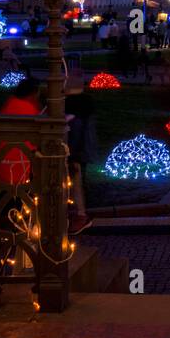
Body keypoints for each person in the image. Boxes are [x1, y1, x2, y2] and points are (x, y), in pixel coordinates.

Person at [65, 78, 96, 234]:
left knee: (75, 181)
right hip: (82, 150)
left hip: (74, 151)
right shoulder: (85, 104)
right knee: (78, 181)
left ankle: (80, 214)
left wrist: (72, 154)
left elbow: (75, 132)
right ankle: (80, 213)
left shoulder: (71, 106)